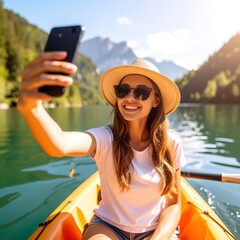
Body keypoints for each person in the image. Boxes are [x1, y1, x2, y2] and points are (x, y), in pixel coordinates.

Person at [18, 51, 187, 240]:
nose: (130, 97)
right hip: (108, 227)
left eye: (141, 92)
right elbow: (59, 145)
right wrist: (32, 108)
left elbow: (173, 204)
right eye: (123, 90)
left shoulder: (171, 143)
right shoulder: (105, 138)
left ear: (155, 100)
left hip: (154, 230)